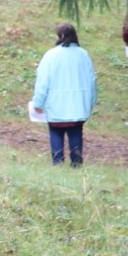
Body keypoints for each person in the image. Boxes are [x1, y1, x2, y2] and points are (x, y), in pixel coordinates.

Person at [31, 22, 98, 166]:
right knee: (75, 132)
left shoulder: (51, 55)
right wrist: (91, 101)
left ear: (60, 36)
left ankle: (57, 162)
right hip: (78, 104)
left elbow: (43, 81)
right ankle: (76, 163)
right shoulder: (83, 55)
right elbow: (92, 80)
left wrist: (38, 103)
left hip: (56, 103)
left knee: (56, 131)